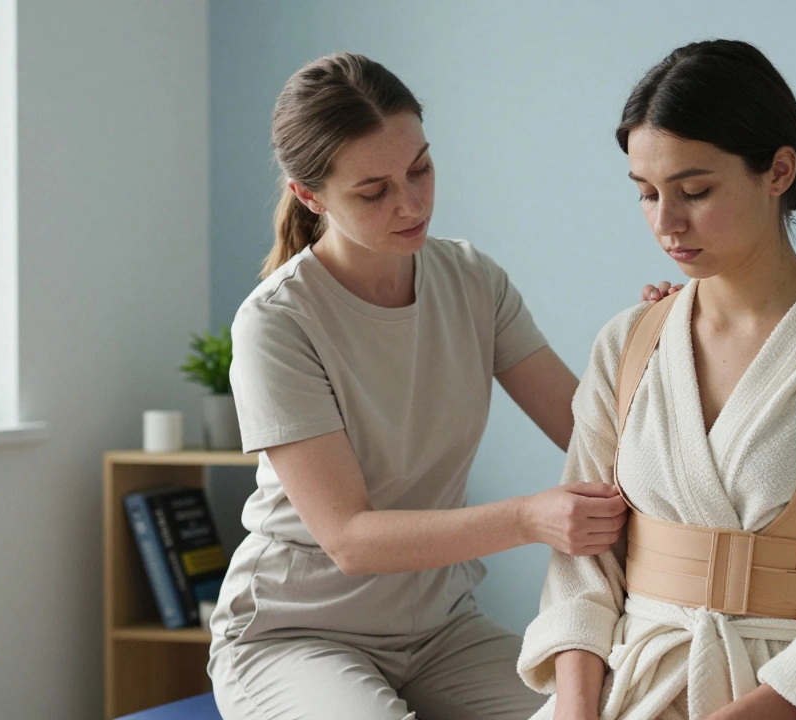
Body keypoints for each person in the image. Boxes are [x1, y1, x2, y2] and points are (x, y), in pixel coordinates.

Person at [206, 52, 674, 720]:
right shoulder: (276, 324)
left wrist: (663, 347)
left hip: (438, 633)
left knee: (619, 709)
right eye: (373, 191)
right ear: (310, 197)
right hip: (295, 635)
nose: (411, 202)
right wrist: (527, 518)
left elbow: (591, 431)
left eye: (420, 168)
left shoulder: (471, 280)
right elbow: (350, 538)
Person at [517, 39, 796, 720]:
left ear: (778, 170)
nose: (665, 223)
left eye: (695, 191)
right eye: (646, 194)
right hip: (620, 697)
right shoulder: (628, 344)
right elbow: (583, 571)